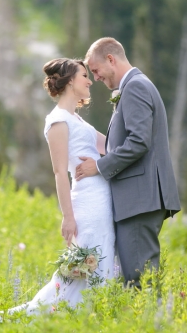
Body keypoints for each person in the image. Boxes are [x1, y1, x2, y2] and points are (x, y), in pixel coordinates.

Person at [8, 58, 116, 314]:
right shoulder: (58, 120)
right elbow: (59, 172)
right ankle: (46, 315)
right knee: (85, 267)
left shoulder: (77, 120)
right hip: (87, 203)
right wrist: (68, 217)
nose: (90, 80)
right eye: (83, 75)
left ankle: (91, 316)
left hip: (102, 200)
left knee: (103, 261)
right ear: (69, 81)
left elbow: (111, 146)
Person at [75, 37, 181, 289]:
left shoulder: (135, 87)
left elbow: (138, 141)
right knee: (139, 275)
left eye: (97, 70)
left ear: (111, 59)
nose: (96, 78)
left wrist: (98, 167)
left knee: (139, 279)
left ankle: (148, 326)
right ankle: (147, 323)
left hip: (139, 200)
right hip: (140, 199)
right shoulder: (135, 85)